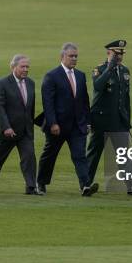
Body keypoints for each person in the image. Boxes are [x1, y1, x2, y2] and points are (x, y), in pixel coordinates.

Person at [36, 42, 97, 196]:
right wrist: (53, 123)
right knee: (50, 155)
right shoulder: (52, 76)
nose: (74, 59)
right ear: (62, 57)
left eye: (76, 56)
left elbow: (84, 101)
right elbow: (48, 103)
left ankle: (85, 185)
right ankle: (41, 183)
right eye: (71, 56)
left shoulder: (80, 75)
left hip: (77, 126)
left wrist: (88, 121)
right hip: (58, 126)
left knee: (80, 156)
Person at [0, 55, 39, 195]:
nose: (26, 69)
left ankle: (31, 187)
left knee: (29, 157)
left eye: (27, 66)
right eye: (23, 66)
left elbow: (30, 108)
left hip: (25, 131)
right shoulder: (2, 83)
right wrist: (7, 127)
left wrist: (31, 127)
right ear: (13, 67)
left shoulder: (31, 83)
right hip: (7, 130)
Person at [86, 39, 131, 188]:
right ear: (108, 53)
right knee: (94, 153)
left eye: (121, 54)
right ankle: (85, 183)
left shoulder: (125, 71)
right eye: (116, 53)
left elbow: (125, 98)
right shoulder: (100, 69)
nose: (119, 57)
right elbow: (98, 86)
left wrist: (127, 120)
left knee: (124, 155)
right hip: (101, 120)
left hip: (118, 120)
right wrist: (109, 69)